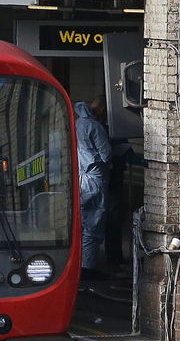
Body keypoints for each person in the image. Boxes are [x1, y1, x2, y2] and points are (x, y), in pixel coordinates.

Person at [75, 97, 112, 280]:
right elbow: (106, 155)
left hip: (80, 179)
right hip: (95, 179)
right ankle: (87, 267)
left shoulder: (76, 124)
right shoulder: (95, 127)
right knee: (93, 224)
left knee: (81, 223)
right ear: (104, 109)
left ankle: (79, 263)